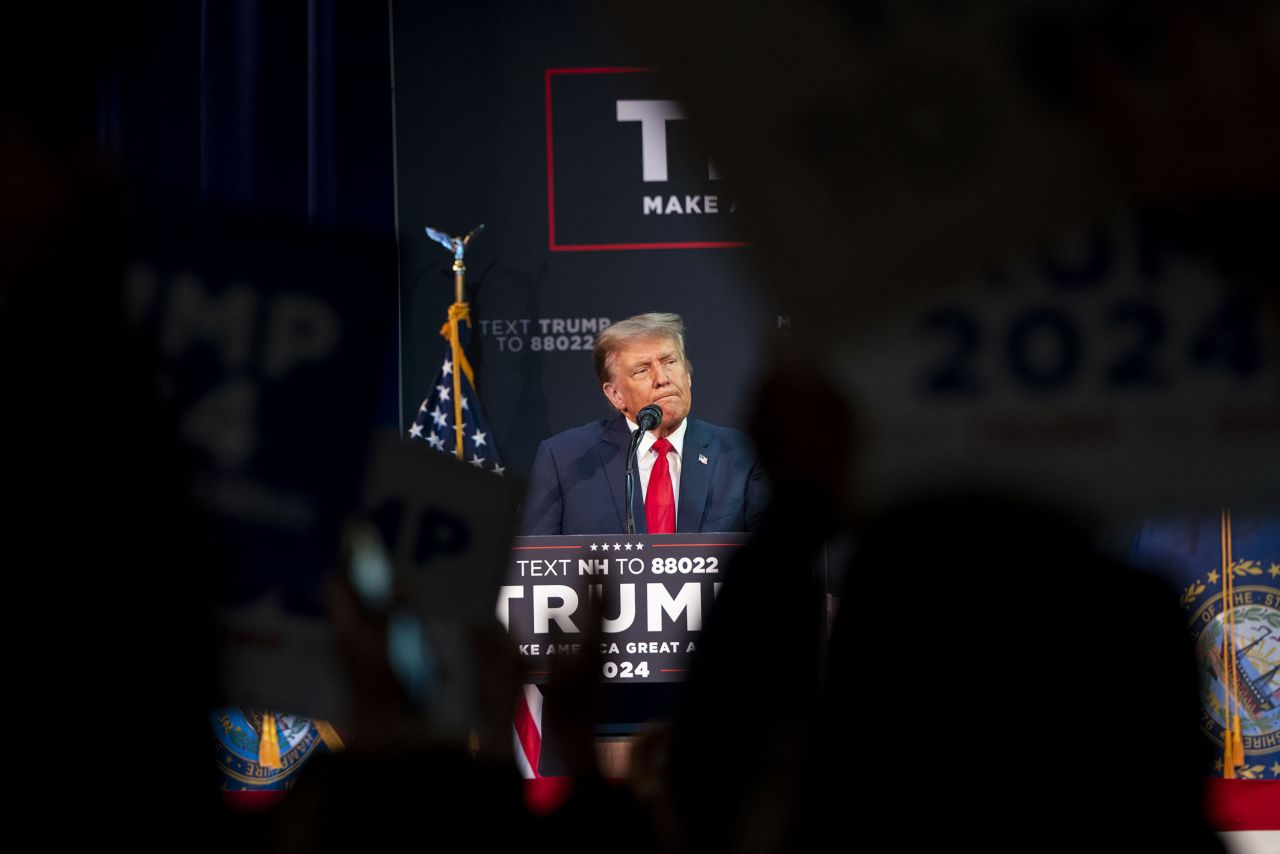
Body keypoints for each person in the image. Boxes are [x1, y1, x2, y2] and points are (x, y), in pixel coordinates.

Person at [519, 312, 767, 535]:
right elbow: (532, 566)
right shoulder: (564, 459)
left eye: (670, 362)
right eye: (642, 370)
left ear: (688, 375)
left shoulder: (741, 454)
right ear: (615, 395)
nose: (662, 378)